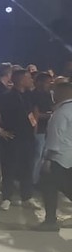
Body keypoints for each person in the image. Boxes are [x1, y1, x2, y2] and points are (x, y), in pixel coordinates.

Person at [0, 69, 38, 210]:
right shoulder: (7, 96)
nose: (31, 80)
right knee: (9, 168)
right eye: (28, 78)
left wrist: (35, 127)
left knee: (27, 168)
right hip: (13, 137)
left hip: (28, 138)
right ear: (20, 80)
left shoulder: (30, 95)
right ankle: (6, 198)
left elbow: (34, 111)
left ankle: (26, 197)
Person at [35, 81, 72, 231]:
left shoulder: (61, 112)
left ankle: (50, 221)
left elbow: (55, 138)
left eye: (55, 91)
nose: (53, 94)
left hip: (59, 157)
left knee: (49, 186)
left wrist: (48, 159)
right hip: (69, 156)